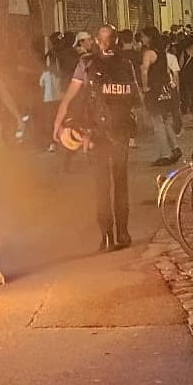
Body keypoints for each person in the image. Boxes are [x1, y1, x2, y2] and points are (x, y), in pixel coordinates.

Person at [52, 25, 141, 252]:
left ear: (97, 41)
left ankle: (107, 237)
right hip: (119, 130)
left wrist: (59, 121)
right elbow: (136, 97)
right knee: (120, 183)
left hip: (95, 132)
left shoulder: (87, 64)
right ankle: (123, 232)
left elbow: (70, 95)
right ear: (117, 41)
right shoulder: (126, 63)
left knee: (101, 185)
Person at [140, 27, 182, 166]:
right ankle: (175, 148)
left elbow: (144, 71)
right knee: (164, 120)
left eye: (144, 36)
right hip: (165, 90)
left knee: (157, 123)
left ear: (149, 37)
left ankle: (165, 154)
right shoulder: (163, 53)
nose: (142, 39)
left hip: (154, 90)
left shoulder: (149, 53)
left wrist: (145, 87)